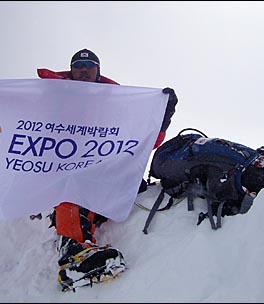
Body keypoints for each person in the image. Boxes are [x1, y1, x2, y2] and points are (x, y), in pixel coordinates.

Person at [37, 48, 178, 291]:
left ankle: (81, 246)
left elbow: (139, 142)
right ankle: (73, 252)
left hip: (103, 175)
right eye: (78, 66)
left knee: (96, 192)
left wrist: (160, 118)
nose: (83, 70)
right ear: (71, 70)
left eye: (89, 66)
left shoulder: (115, 105)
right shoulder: (51, 96)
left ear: (98, 71)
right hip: (65, 170)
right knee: (72, 187)